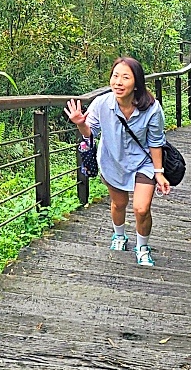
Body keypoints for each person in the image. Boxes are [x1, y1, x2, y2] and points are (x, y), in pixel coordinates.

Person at [65, 56, 169, 268]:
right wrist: (79, 123)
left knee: (141, 208)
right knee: (119, 203)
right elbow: (90, 132)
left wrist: (159, 172)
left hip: (144, 162)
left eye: (125, 77)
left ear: (137, 82)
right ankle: (119, 235)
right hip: (113, 160)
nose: (118, 82)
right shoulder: (102, 103)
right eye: (115, 76)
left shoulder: (152, 108)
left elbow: (156, 141)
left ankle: (142, 247)